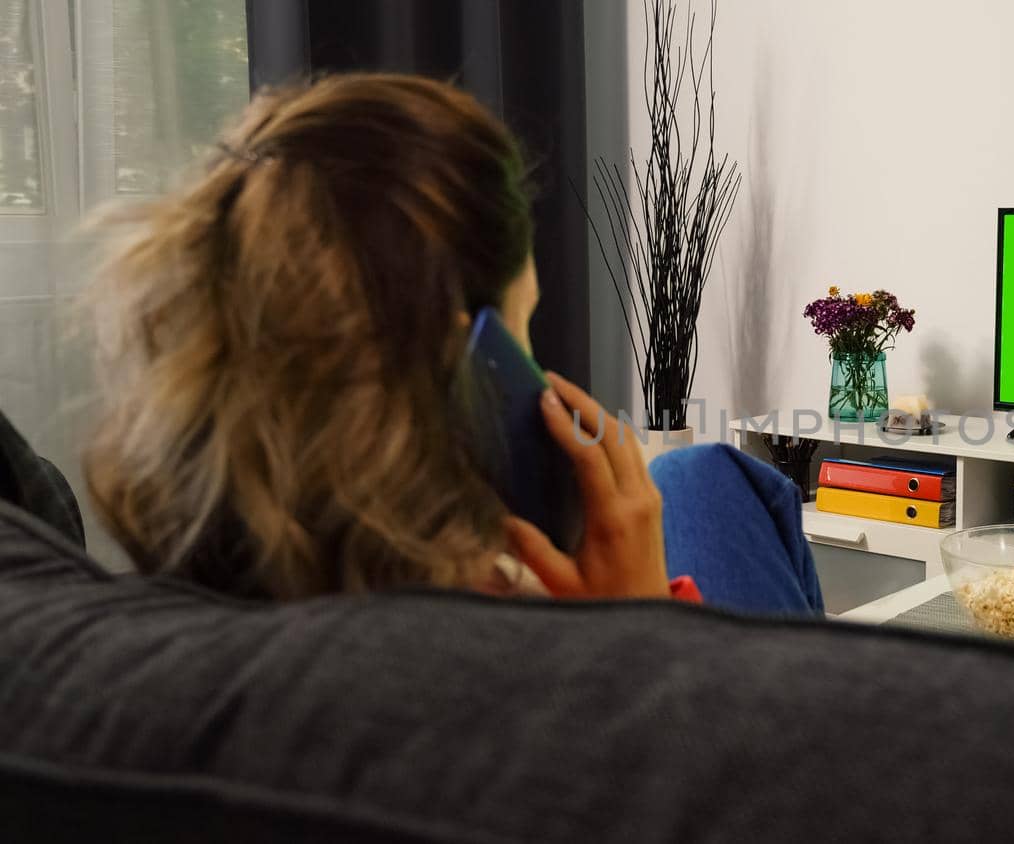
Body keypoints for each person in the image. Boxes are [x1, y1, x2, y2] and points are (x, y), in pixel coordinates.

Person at [83, 73, 820, 613]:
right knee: (712, 478)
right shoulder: (509, 618)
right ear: (476, 367)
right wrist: (637, 623)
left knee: (701, 470)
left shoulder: (177, 586)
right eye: (525, 327)